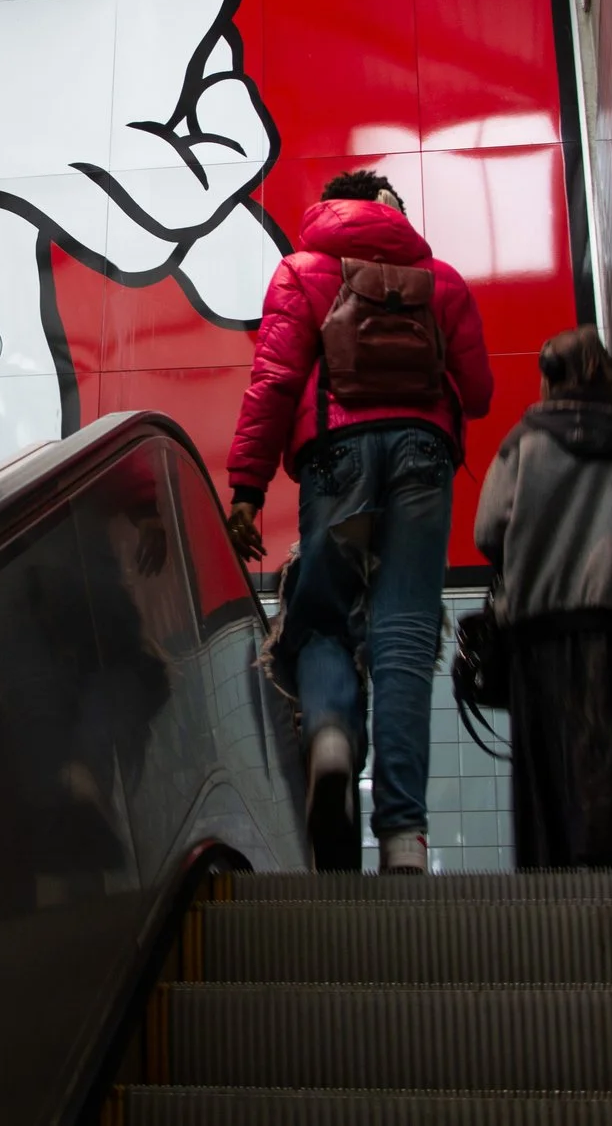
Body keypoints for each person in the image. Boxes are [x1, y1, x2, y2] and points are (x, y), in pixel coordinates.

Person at [225, 171, 495, 873]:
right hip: (422, 457)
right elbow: (483, 392)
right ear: (394, 213)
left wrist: (247, 489)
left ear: (333, 206)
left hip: (335, 458)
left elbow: (275, 380)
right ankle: (404, 836)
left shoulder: (302, 270)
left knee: (322, 619)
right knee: (404, 632)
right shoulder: (441, 279)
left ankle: (334, 738)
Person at [474, 327, 612, 868]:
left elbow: (488, 530)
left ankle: (548, 889)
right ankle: (603, 876)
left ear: (549, 378)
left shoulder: (526, 440)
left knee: (542, 767)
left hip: (537, 625)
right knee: (609, 752)